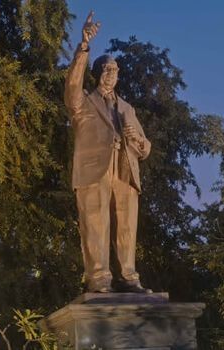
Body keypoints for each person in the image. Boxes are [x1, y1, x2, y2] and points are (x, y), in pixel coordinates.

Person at [64, 11, 151, 293]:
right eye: (107, 70)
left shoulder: (127, 108)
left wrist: (137, 140)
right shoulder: (83, 102)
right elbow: (72, 86)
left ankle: (129, 277)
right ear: (98, 72)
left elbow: (145, 147)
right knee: (95, 222)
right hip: (93, 168)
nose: (112, 75)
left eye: (115, 71)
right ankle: (99, 278)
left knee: (127, 225)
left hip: (125, 168)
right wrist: (84, 46)